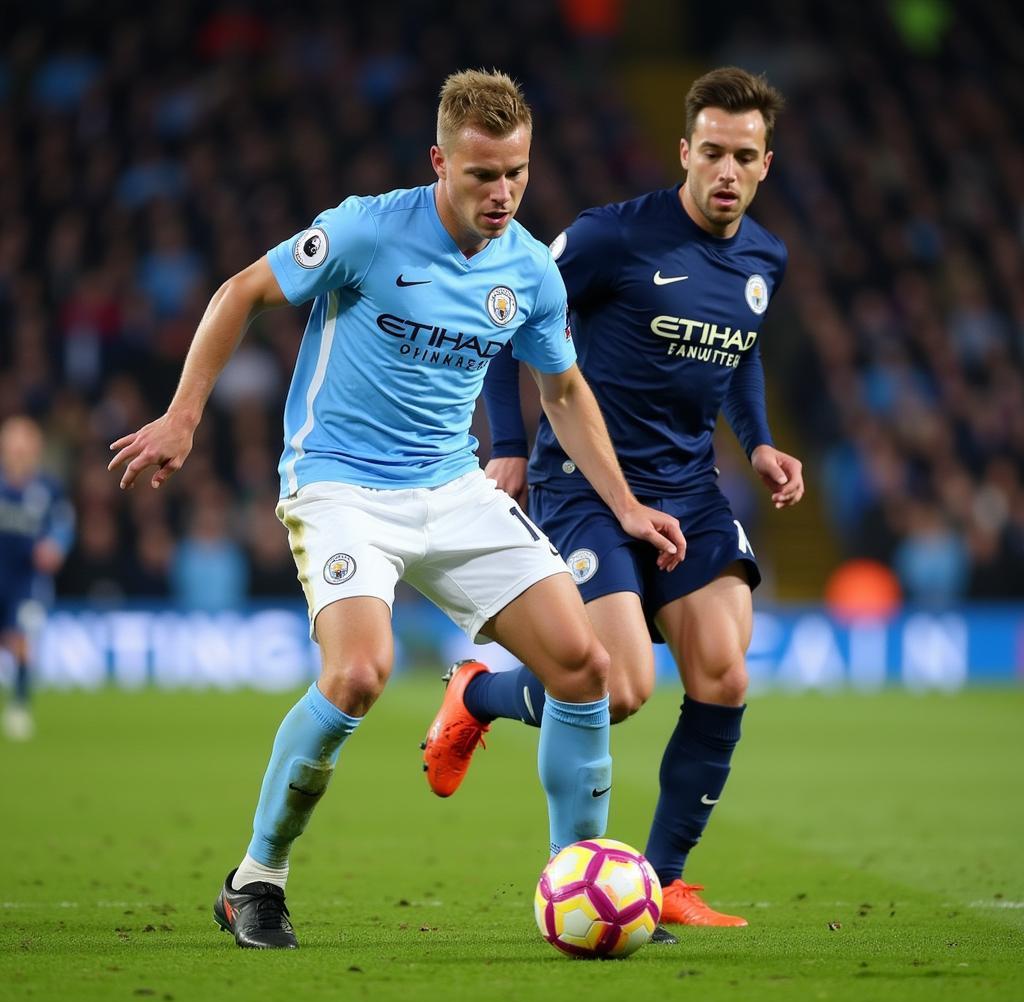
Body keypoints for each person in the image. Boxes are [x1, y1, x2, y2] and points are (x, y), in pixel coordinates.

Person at [108, 69, 684, 950]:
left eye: (517, 174)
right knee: (359, 674)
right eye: (481, 175)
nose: (502, 195)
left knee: (584, 664)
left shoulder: (529, 269)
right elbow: (240, 293)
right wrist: (184, 415)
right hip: (339, 484)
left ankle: (581, 882)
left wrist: (628, 506)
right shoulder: (369, 229)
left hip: (451, 486)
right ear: (439, 162)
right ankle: (255, 880)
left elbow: (562, 390)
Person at [421, 66, 805, 939]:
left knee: (725, 672)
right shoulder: (610, 239)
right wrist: (510, 448)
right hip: (586, 488)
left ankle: (665, 880)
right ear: (685, 150)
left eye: (744, 157)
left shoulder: (764, 258)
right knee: (622, 686)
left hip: (690, 490)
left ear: (765, 164)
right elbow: (504, 317)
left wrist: (762, 442)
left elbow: (741, 353)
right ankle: (476, 697)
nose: (726, 171)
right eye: (711, 151)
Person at [0, 416, 75, 741]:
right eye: (13, 445)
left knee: (22, 640)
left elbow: (64, 524)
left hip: (27, 579)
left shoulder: (47, 488)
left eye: (25, 446)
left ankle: (19, 705)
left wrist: (56, 546)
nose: (19, 452)